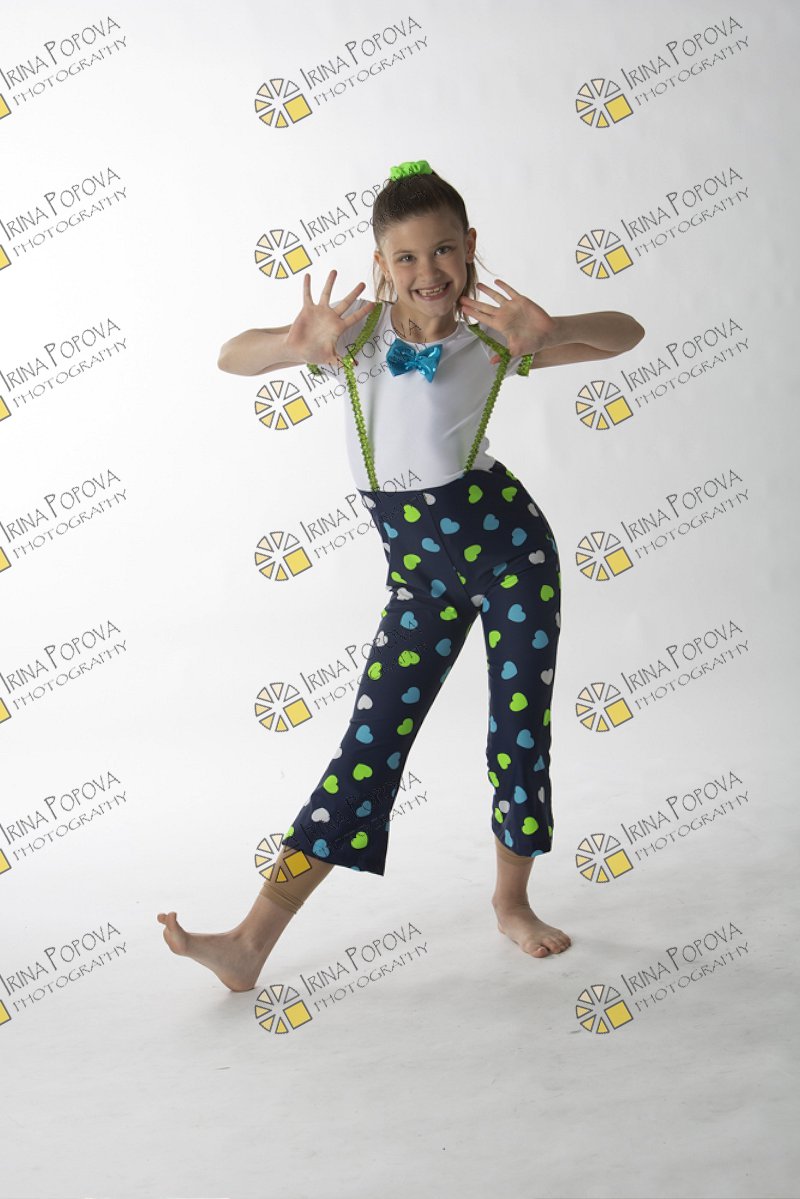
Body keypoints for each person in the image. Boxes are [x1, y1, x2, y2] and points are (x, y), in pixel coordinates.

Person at [158, 160, 644, 989]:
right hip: (420, 576)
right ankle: (248, 944)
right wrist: (290, 343)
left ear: (470, 247)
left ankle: (512, 902)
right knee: (368, 747)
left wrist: (552, 327)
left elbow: (626, 332)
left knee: (518, 733)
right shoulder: (351, 338)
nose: (430, 271)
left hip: (513, 556)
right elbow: (231, 356)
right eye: (408, 257)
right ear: (382, 263)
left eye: (445, 250)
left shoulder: (495, 335)